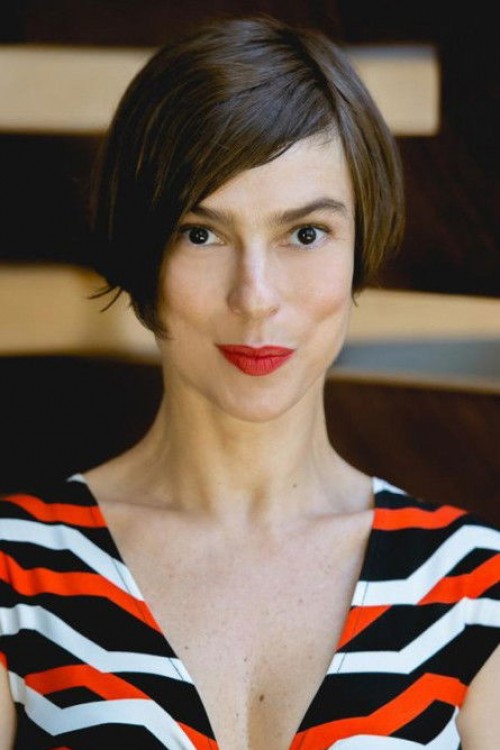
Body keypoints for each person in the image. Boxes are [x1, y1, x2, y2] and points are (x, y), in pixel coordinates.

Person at [0, 14, 499, 750]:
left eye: (305, 234)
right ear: (141, 249)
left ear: (361, 246)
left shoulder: (477, 586)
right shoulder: (16, 571)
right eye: (201, 233)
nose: (256, 296)